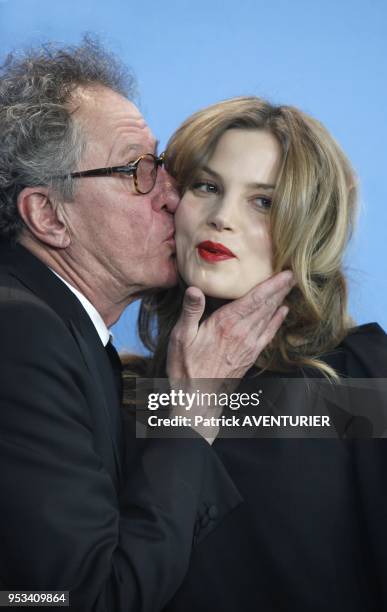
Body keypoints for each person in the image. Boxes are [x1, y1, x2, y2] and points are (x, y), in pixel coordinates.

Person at [0, 44, 295, 611]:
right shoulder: (21, 336)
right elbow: (77, 600)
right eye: (136, 171)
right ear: (48, 216)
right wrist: (188, 415)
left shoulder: (362, 373)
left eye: (161, 166)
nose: (174, 198)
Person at [123, 97, 387, 611]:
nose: (221, 218)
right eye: (207, 186)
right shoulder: (123, 395)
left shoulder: (362, 377)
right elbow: (56, 593)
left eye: (263, 201)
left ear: (311, 226)